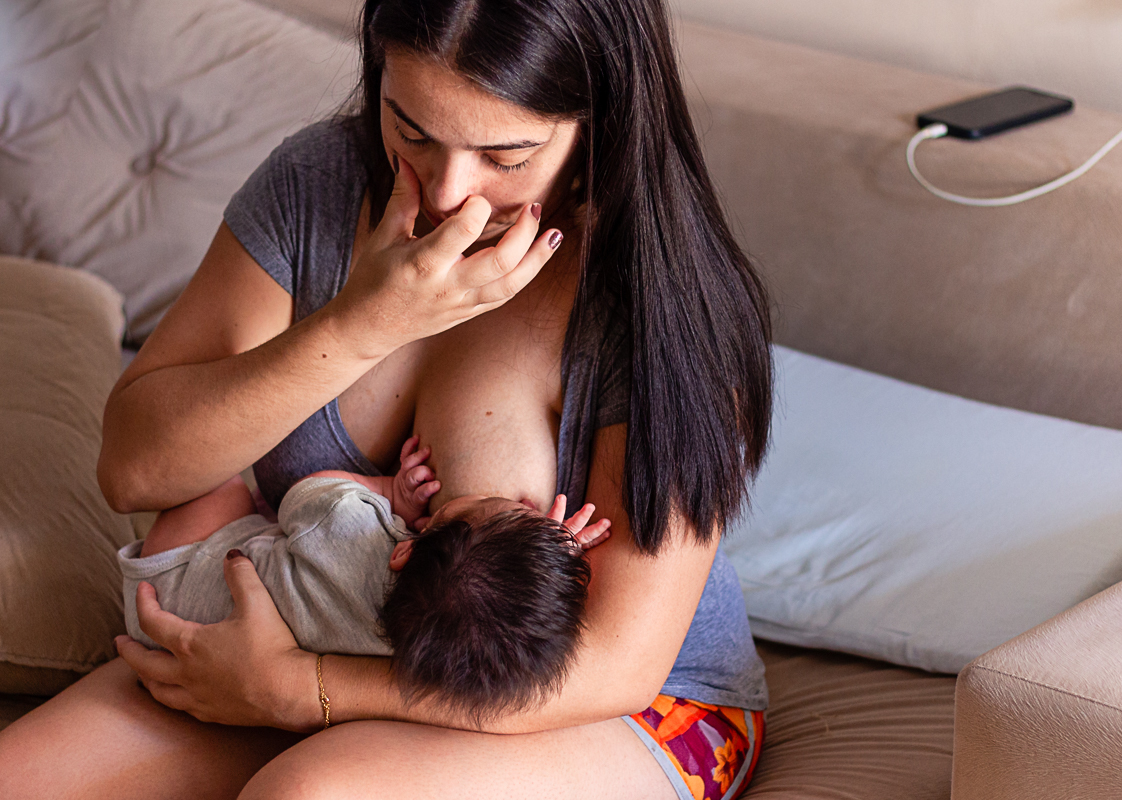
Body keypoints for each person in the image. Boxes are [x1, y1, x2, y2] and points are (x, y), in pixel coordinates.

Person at [0, 0, 774, 797]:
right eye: (411, 129)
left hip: (593, 701)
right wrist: (361, 325)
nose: (448, 193)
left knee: (308, 794)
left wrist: (303, 691)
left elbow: (617, 667)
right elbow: (134, 472)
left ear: (600, 119)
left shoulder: (662, 300)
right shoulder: (321, 183)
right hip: (307, 624)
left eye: (505, 157)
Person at [118, 436, 611, 723]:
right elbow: (511, 614)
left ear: (404, 550)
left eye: (474, 505)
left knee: (217, 474)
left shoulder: (345, 528)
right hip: (196, 652)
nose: (525, 506)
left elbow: (307, 496)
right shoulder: (438, 650)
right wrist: (556, 562)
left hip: (179, 577)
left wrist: (385, 491)